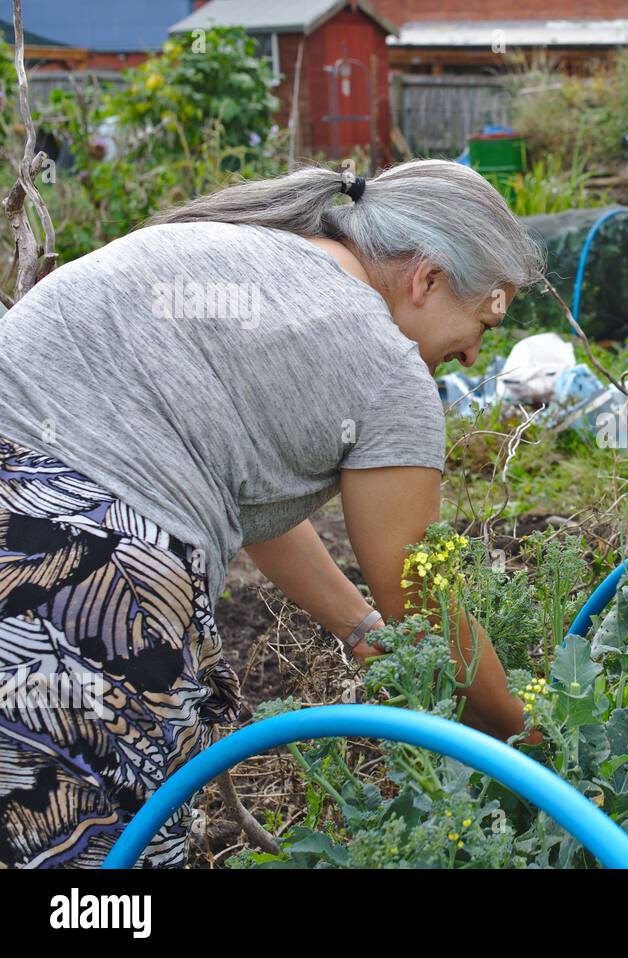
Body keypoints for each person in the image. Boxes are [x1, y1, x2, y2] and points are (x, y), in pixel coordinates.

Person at [0, 159, 544, 867]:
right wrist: (520, 736)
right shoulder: (386, 368)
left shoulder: (240, 250)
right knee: (93, 863)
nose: (473, 351)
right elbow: (419, 595)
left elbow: (250, 491)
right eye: (480, 322)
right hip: (81, 578)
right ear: (428, 278)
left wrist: (355, 625)